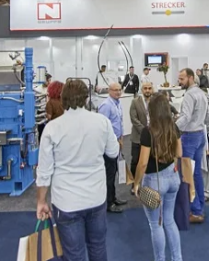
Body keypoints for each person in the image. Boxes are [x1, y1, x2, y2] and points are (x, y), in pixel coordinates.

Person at [36, 79, 120, 261]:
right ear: (86, 98)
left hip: (67, 202)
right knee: (98, 247)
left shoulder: (52, 128)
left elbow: (44, 171)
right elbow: (113, 152)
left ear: (63, 98)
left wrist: (41, 201)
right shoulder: (102, 122)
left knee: (74, 254)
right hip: (96, 198)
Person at [133, 93, 183, 261]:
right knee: (169, 220)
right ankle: (177, 258)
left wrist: (136, 184)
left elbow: (142, 163)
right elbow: (179, 153)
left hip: (154, 181)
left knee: (156, 224)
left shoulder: (148, 132)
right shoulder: (173, 127)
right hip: (173, 177)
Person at [176, 68, 209, 223]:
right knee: (196, 174)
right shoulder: (202, 93)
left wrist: (172, 129)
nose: (179, 81)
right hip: (200, 134)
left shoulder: (189, 94)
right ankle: (199, 207)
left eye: (182, 79)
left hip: (189, 136)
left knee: (187, 174)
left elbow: (186, 117)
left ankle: (195, 211)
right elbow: (207, 116)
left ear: (190, 78)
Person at [98, 82, 126, 213]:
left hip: (117, 142)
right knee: (109, 174)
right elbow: (102, 127)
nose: (118, 92)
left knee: (114, 172)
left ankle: (113, 198)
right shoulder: (106, 105)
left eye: (119, 90)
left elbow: (119, 122)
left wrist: (121, 138)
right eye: (115, 90)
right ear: (109, 91)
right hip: (109, 145)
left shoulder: (118, 103)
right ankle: (109, 203)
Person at [130, 82, 155, 185]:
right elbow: (134, 119)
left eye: (149, 88)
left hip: (152, 137)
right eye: (145, 88)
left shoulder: (155, 101)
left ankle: (147, 183)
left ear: (152, 89)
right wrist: (145, 132)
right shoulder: (135, 102)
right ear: (142, 90)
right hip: (138, 137)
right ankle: (134, 183)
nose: (147, 90)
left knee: (149, 161)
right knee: (135, 161)